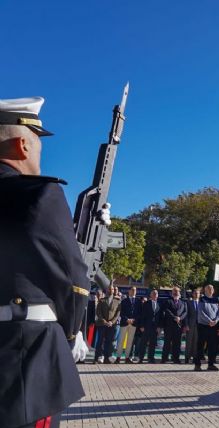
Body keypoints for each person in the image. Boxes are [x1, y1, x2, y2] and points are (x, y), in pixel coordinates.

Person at [0, 97, 90, 428]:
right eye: (39, 144)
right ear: (23, 144)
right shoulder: (39, 194)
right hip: (24, 356)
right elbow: (72, 279)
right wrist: (70, 334)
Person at [194, 284, 219, 371]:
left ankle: (211, 364)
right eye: (208, 289)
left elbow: (218, 312)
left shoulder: (216, 299)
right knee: (200, 346)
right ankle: (197, 365)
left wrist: (216, 321)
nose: (210, 290)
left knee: (212, 346)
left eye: (212, 289)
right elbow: (201, 312)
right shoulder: (202, 299)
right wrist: (209, 321)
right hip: (203, 326)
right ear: (205, 291)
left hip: (213, 326)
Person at [95, 284, 121, 364]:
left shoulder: (117, 301)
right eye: (109, 289)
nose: (111, 290)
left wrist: (111, 322)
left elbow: (117, 314)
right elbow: (98, 312)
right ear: (107, 290)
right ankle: (97, 357)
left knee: (109, 342)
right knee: (100, 341)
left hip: (111, 325)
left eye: (112, 289)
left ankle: (107, 358)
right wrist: (104, 321)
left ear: (114, 291)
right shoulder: (102, 300)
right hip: (102, 324)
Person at [115, 286, 140, 363]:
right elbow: (121, 312)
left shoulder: (138, 301)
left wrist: (133, 320)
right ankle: (118, 357)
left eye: (135, 290)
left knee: (130, 342)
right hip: (124, 323)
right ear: (129, 291)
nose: (133, 291)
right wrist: (127, 319)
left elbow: (139, 313)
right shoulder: (124, 301)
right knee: (121, 341)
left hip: (133, 324)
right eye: (132, 290)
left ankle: (127, 358)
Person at [162, 286, 186, 364]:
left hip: (178, 326)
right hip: (169, 326)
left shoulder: (183, 303)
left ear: (179, 293)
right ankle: (164, 358)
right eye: (174, 291)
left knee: (177, 343)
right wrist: (174, 317)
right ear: (172, 293)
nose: (176, 293)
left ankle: (176, 358)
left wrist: (180, 318)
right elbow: (166, 310)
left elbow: (185, 312)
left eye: (177, 291)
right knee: (167, 343)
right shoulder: (168, 301)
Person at [138, 289, 163, 363]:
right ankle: (141, 358)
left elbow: (160, 317)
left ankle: (151, 358)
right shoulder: (146, 303)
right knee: (143, 343)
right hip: (146, 327)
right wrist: (141, 326)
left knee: (152, 344)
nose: (155, 294)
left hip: (155, 328)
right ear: (151, 295)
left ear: (157, 295)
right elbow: (142, 315)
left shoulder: (159, 305)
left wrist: (159, 327)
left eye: (156, 293)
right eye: (154, 293)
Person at [184, 288, 201, 364]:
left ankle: (195, 357)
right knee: (189, 341)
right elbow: (186, 315)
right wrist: (186, 325)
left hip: (199, 326)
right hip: (190, 325)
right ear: (193, 294)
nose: (196, 294)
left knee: (196, 342)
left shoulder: (201, 303)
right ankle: (187, 357)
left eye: (198, 293)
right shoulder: (189, 303)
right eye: (195, 293)